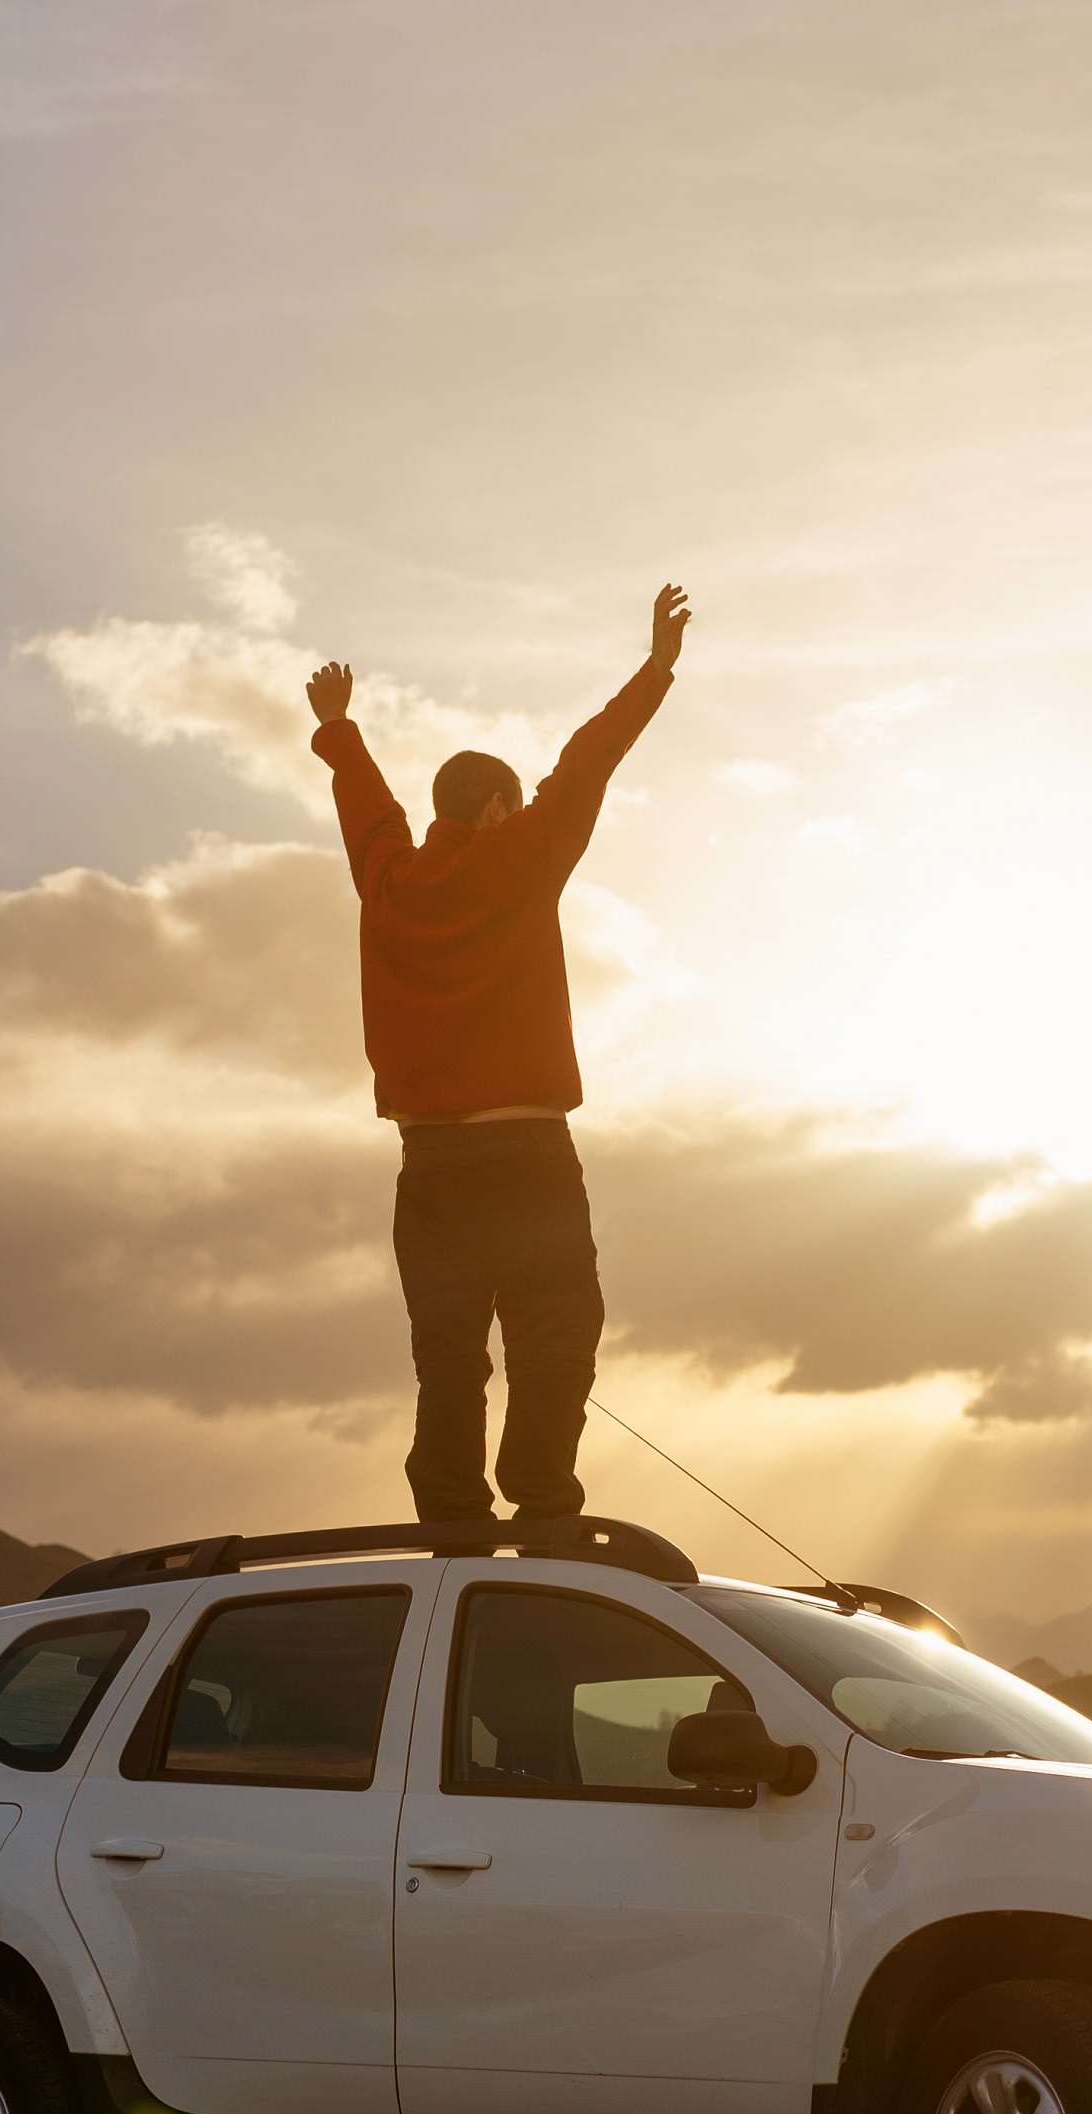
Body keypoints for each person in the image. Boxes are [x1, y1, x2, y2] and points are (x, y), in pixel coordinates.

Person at [305, 585, 688, 1524]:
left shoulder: (388, 883)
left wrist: (339, 729)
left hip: (429, 1169)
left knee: (448, 1352)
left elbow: (368, 813)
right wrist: (656, 669)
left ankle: (451, 1508)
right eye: (513, 803)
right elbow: (588, 762)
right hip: (526, 1158)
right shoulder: (518, 856)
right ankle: (541, 1492)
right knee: (556, 1334)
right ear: (495, 806)